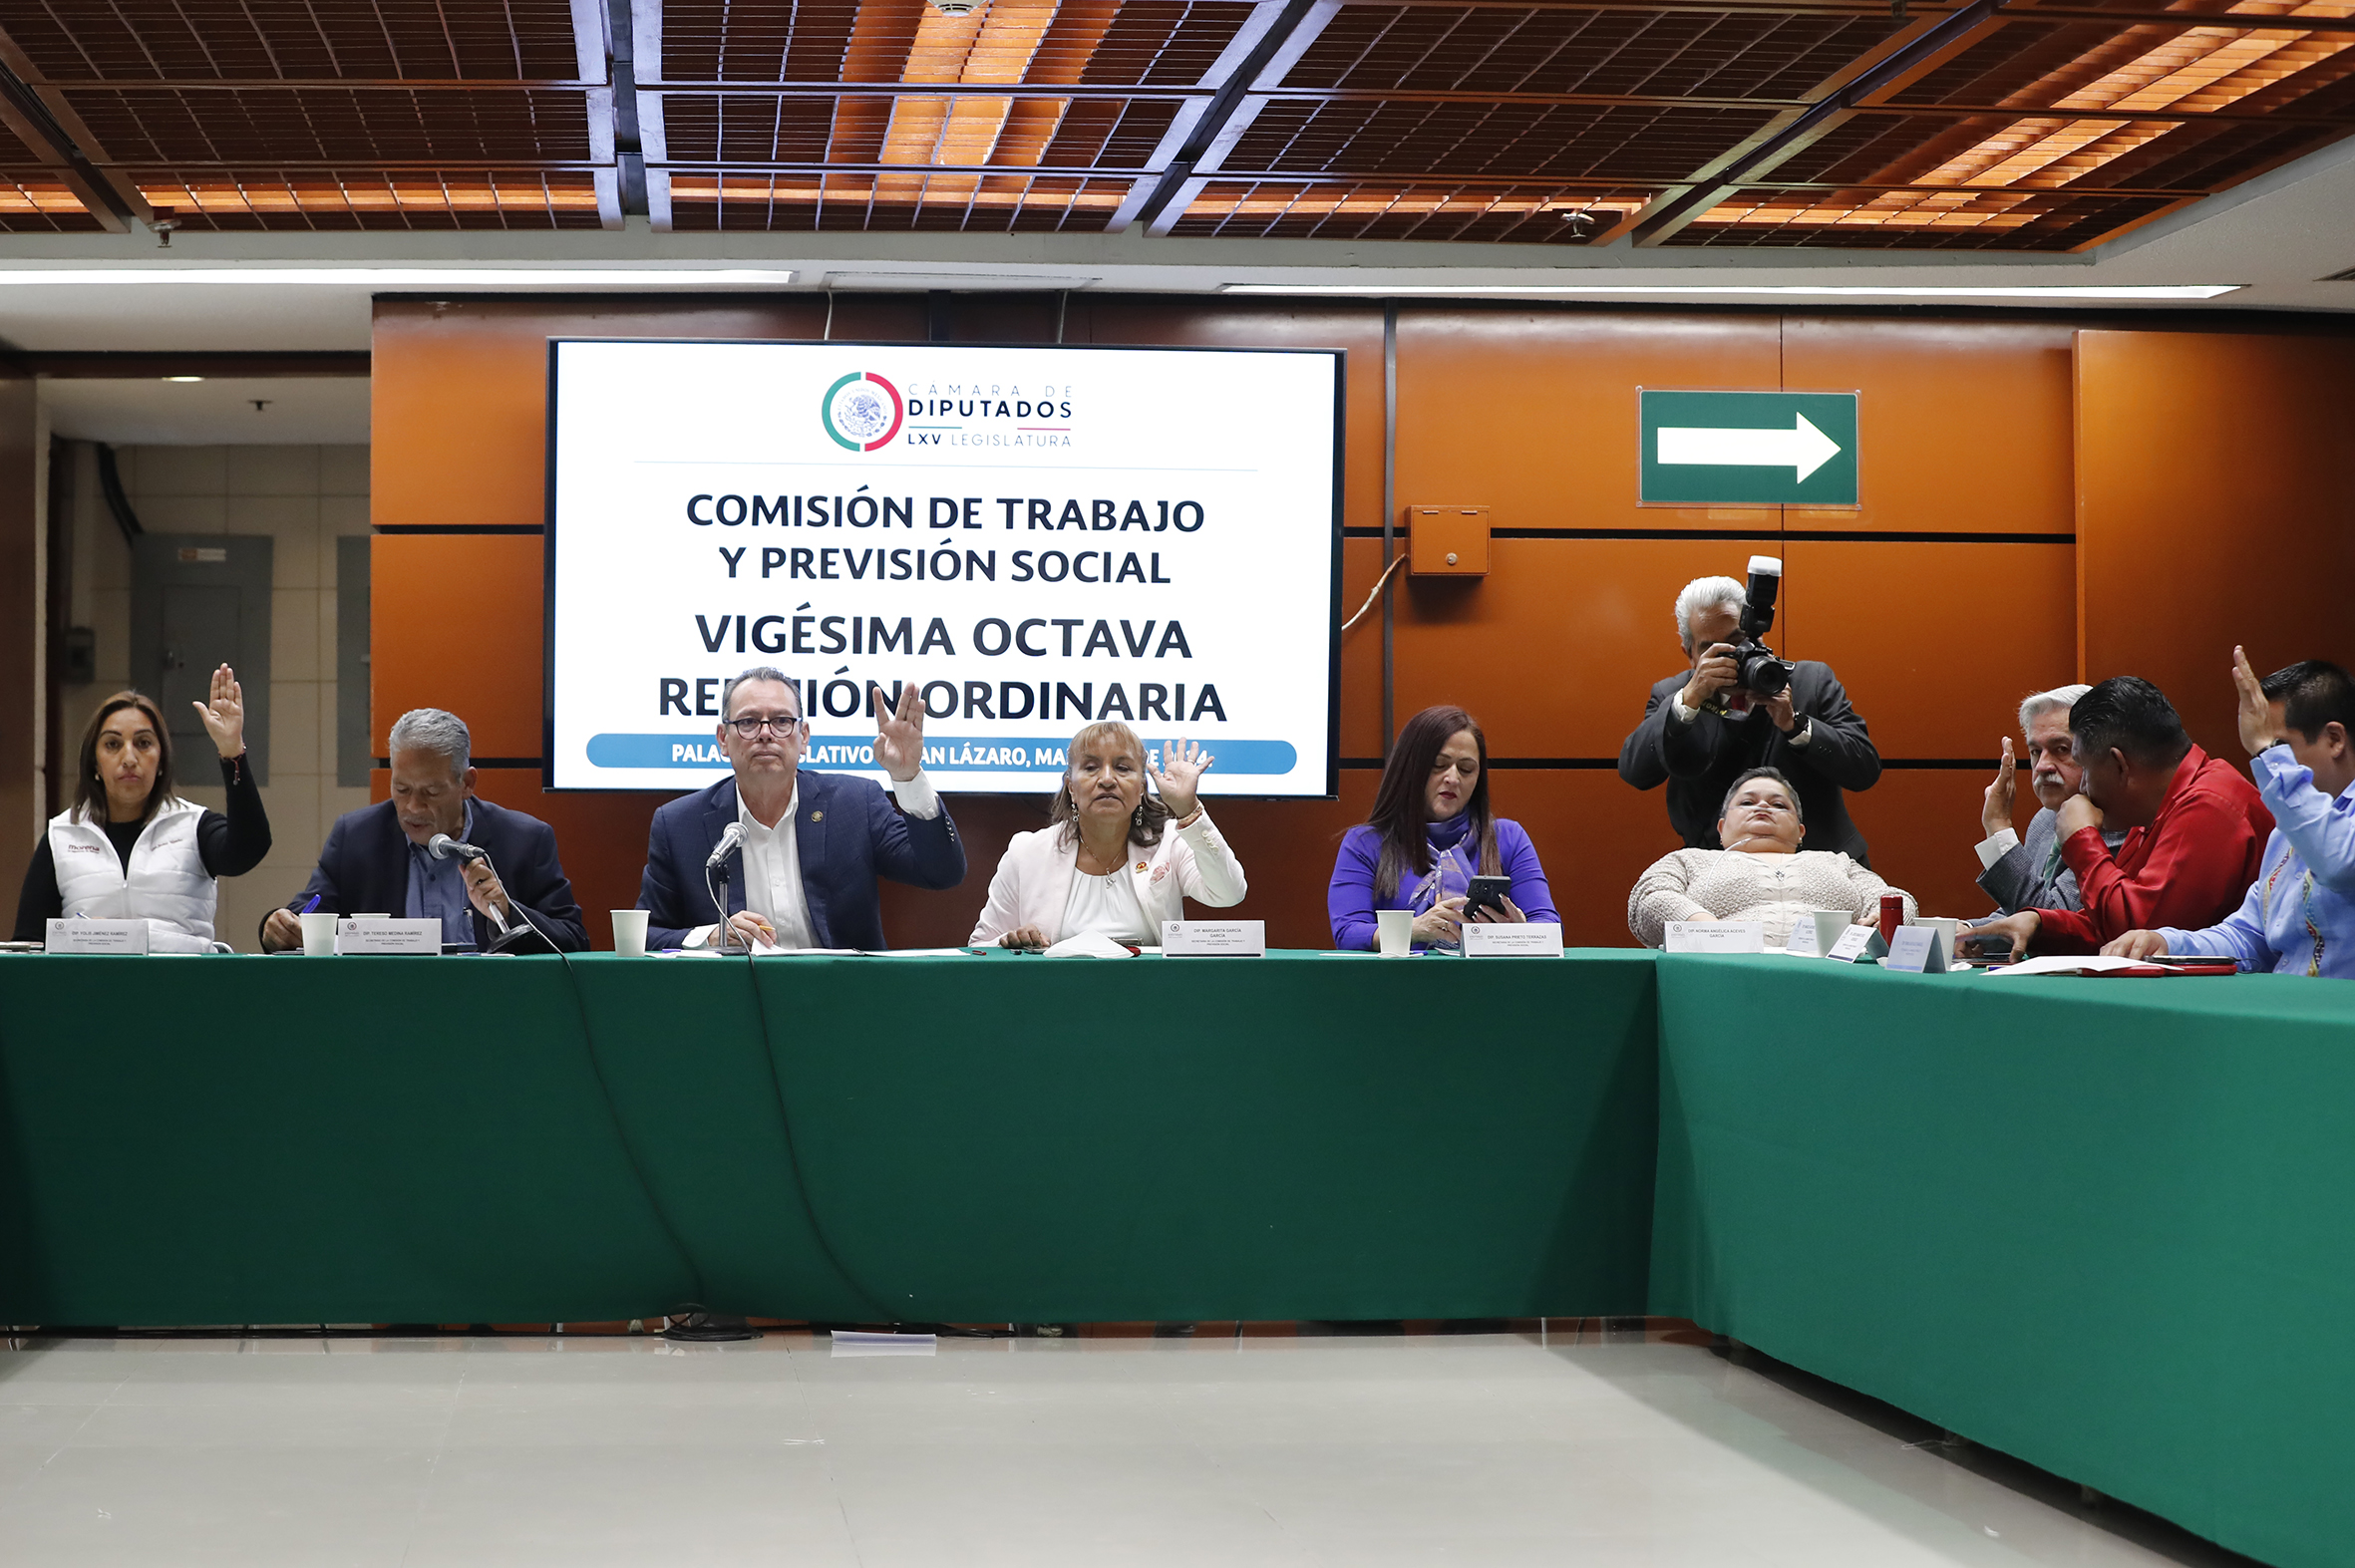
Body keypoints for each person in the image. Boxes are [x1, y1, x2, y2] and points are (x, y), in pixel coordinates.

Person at [638, 667, 964, 951]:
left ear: (803, 736)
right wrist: (710, 936)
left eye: (781, 721)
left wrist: (907, 776)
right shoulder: (679, 825)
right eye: (748, 722)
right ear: (723, 739)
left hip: (841, 992)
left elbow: (941, 873)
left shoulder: (855, 803)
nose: (765, 734)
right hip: (734, 996)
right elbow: (645, 935)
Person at [1959, 676, 2271, 959]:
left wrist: (2081, 839)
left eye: (2083, 766)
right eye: (2035, 752)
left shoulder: (2210, 805)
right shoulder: (2158, 807)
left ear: (2119, 765)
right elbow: (2108, 925)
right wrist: (2042, 924)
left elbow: (2139, 934)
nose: (2083, 787)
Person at [2107, 652, 2355, 976]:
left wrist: (2266, 751)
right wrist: (2166, 943)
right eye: (2269, 750)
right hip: (2288, 1004)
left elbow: (2338, 863)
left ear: (2334, 740)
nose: (2267, 766)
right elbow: (2248, 937)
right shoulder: (2287, 829)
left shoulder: (2294, 810)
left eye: (2280, 745)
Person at [260, 708, 586, 952]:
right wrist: (278, 927)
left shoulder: (524, 840)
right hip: (385, 1007)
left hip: (491, 1007)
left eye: (431, 792)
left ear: (466, 783)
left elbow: (574, 940)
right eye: (402, 789)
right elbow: (307, 915)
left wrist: (507, 910)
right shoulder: (357, 838)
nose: (413, 808)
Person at [1619, 574, 1881, 862]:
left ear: (1758, 637)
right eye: (1713, 650)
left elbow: (1864, 770)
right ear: (1690, 655)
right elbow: (1636, 773)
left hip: (1821, 863)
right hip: (1717, 868)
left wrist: (1796, 725)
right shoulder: (1674, 694)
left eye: (1737, 643)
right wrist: (1688, 701)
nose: (1730, 659)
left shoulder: (1810, 682)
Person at [13, 668, 270, 951]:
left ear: (161, 761)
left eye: (143, 743)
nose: (129, 758)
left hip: (182, 978)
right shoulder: (61, 836)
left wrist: (232, 751)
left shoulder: (193, 825)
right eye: (112, 744)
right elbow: (28, 947)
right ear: (95, 764)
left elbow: (250, 848)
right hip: (92, 980)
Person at [968, 723, 1243, 949]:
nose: (1108, 779)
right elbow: (980, 947)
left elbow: (1228, 893)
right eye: (1091, 767)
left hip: (1154, 993)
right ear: (1071, 787)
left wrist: (1188, 811)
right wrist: (1011, 943)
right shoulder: (1026, 851)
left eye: (1123, 768)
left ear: (1141, 788)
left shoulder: (1169, 841)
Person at [1329, 705, 1558, 951]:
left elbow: (1550, 926)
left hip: (1487, 975)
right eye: (1439, 765)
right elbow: (1348, 932)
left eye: (1466, 769)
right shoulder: (1366, 843)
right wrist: (1414, 929)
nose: (1453, 778)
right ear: (1410, 768)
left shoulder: (1508, 838)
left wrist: (1522, 932)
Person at [1629, 768, 1913, 948]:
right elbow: (1649, 898)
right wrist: (1709, 929)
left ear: (1800, 831)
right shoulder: (1688, 860)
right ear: (1721, 828)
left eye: (1779, 804)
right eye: (1747, 802)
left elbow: (1894, 898)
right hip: (1722, 972)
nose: (1763, 806)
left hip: (1835, 977)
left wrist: (1885, 918)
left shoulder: (1838, 861)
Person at [1974, 684, 2127, 913]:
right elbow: (2014, 914)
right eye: (2036, 751)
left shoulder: (2119, 824)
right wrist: (1965, 929)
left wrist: (1998, 826)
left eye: (2062, 749)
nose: (2042, 766)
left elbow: (2047, 918)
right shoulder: (2045, 819)